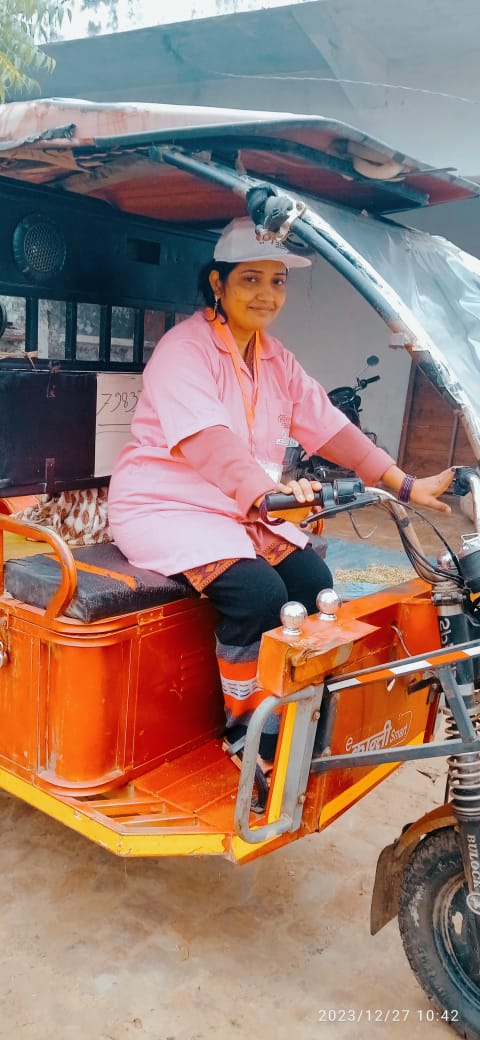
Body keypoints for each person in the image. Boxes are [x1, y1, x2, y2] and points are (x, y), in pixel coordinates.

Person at [108, 216, 453, 796]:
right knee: (258, 594)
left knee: (316, 579)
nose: (267, 294)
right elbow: (207, 441)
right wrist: (267, 494)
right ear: (217, 283)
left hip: (237, 508)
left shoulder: (274, 357)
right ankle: (247, 731)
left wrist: (402, 483)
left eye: (277, 281)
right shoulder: (183, 349)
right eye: (250, 279)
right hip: (164, 506)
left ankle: (292, 704)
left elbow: (330, 427)